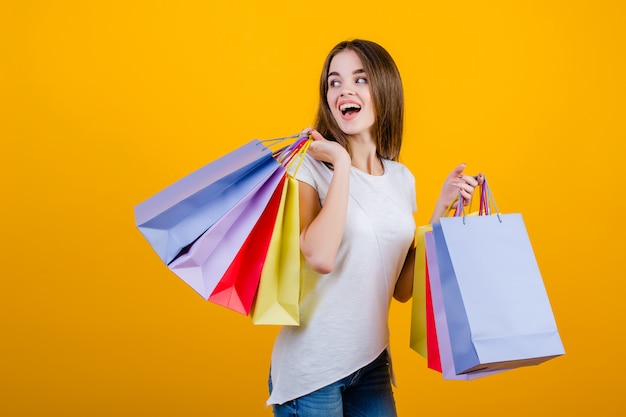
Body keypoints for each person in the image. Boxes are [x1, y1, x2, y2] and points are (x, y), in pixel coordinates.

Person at [267, 39, 481, 417]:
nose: (344, 90)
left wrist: (439, 214)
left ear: (384, 89)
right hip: (312, 370)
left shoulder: (402, 179)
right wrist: (341, 164)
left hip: (371, 363)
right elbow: (318, 256)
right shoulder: (309, 170)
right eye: (334, 82)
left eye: (360, 79)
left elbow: (400, 288)